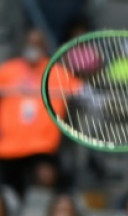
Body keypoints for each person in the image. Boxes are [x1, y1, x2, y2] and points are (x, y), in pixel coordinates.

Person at [0, 29, 78, 200]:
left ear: (44, 46)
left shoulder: (56, 72)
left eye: (37, 43)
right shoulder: (8, 70)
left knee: (46, 181)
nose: (33, 47)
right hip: (9, 147)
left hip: (43, 145)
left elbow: (81, 91)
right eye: (30, 43)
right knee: (9, 195)